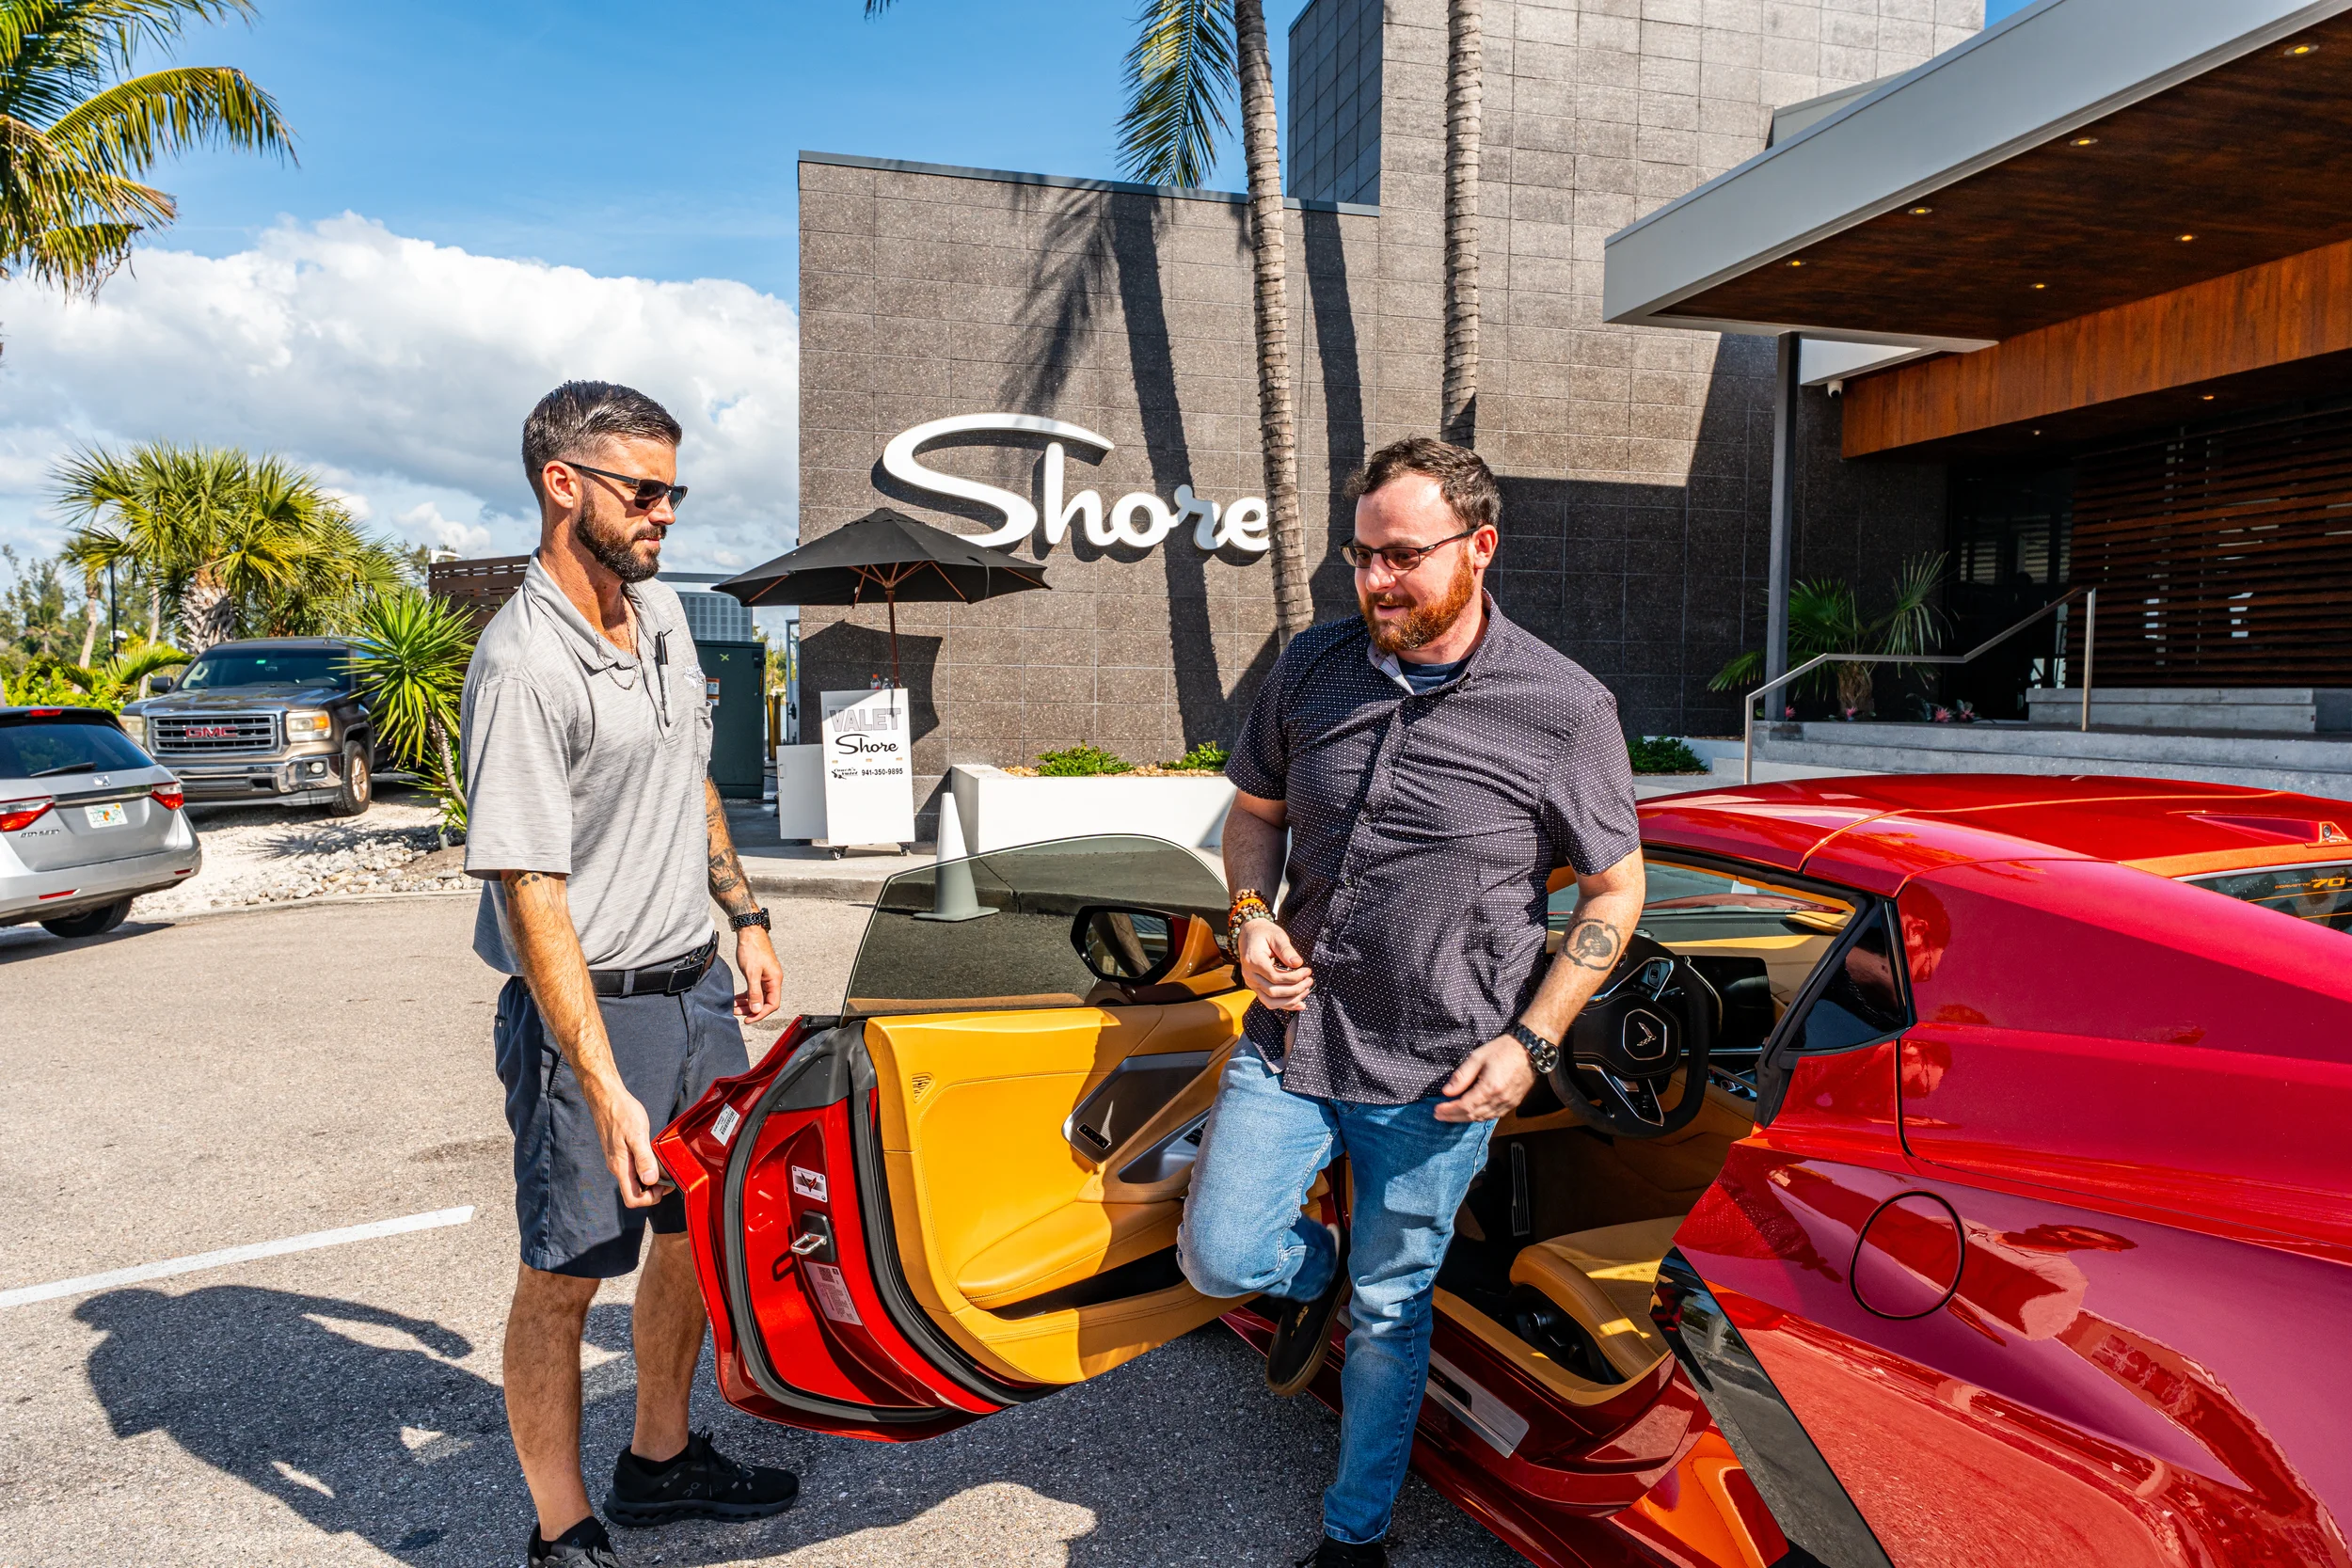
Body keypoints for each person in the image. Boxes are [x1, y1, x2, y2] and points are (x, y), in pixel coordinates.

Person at [1177, 437, 1647, 1567]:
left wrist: (1533, 1041)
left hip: (1443, 1073)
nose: (1378, 579)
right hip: (1292, 1036)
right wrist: (1248, 920)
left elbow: (1615, 886)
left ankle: (1355, 1535)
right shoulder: (1311, 665)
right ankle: (1308, 1269)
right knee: (1220, 1255)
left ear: (1479, 547)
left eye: (1402, 556)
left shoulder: (1564, 708)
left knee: (1394, 1310)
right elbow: (1253, 813)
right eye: (1361, 555)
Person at [462, 381, 798, 1566]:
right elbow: (530, 892)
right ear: (564, 484)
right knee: (566, 1273)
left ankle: (660, 1459)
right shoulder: (520, 663)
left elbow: (688, 771)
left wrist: (744, 912)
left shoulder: (655, 618)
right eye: (643, 489)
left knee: (696, 1235)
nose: (665, 512)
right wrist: (600, 1081)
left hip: (697, 986)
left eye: (673, 489)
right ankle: (562, 1528)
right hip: (591, 1009)